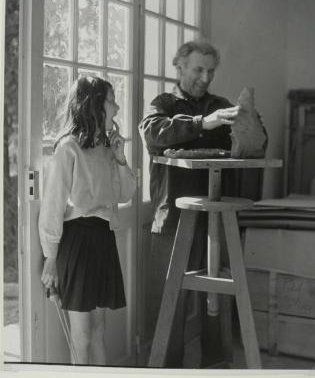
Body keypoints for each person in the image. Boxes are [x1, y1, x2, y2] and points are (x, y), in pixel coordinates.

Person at [139, 40, 266, 367]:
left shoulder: (222, 104)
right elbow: (152, 133)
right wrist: (202, 124)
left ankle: (217, 365)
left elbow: (253, 145)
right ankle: (166, 370)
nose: (205, 77)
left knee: (220, 296)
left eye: (210, 71)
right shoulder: (163, 103)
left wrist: (250, 124)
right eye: (198, 69)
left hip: (217, 216)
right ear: (179, 66)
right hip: (172, 218)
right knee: (168, 300)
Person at [39, 76, 137, 365]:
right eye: (111, 101)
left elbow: (127, 192)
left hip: (103, 239)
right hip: (77, 244)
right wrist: (50, 258)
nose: (117, 109)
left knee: (99, 331)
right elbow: (53, 206)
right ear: (94, 104)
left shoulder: (108, 149)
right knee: (81, 336)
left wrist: (120, 158)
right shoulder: (68, 148)